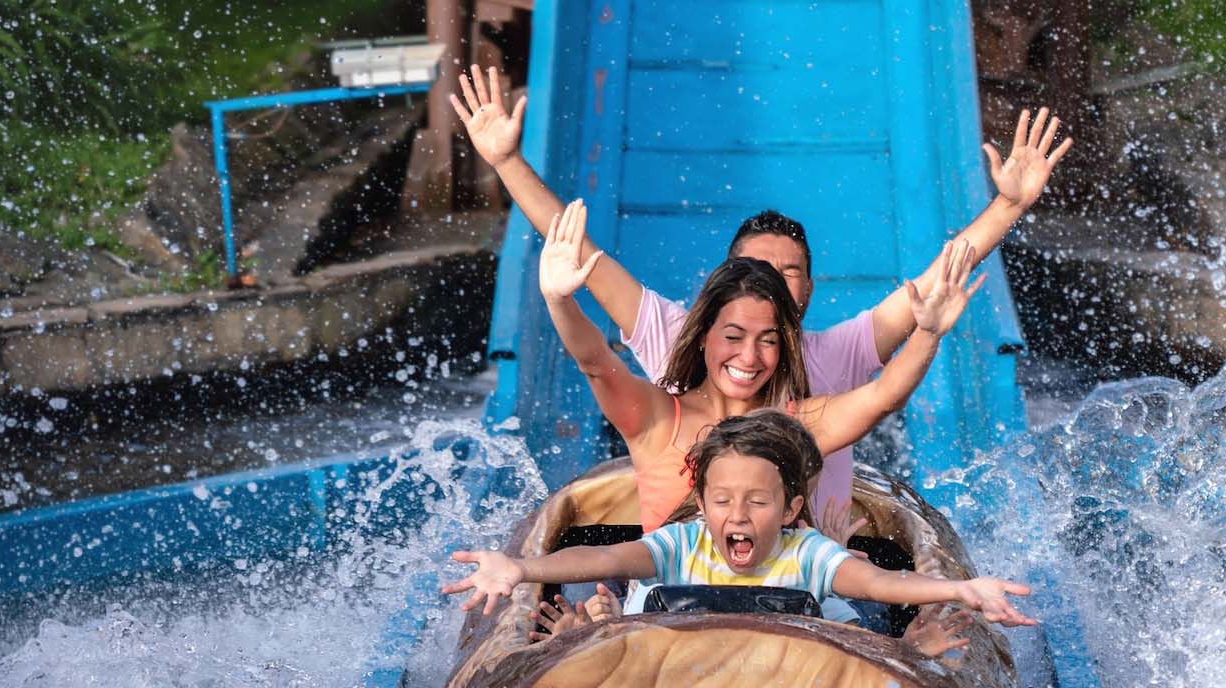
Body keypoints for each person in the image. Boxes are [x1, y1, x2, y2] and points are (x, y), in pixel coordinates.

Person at [451, 66, 1074, 515]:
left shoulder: (831, 369)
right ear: (723, 291)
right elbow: (578, 255)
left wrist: (1008, 206)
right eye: (755, 269)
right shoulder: (673, 351)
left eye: (788, 272)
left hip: (809, 575)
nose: (770, 281)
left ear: (810, 291)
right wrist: (506, 163)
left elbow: (929, 298)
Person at [537, 199, 980, 533]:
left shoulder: (798, 426)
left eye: (767, 341)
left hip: (777, 613)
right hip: (670, 612)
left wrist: (928, 333)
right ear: (703, 333)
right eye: (733, 337)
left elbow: (884, 397)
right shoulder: (657, 418)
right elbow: (595, 362)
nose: (749, 358)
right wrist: (559, 300)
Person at [442, 411, 1039, 633]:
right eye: (723, 500)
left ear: (791, 510)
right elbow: (599, 558)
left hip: (776, 683)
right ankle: (597, 627)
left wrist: (960, 589)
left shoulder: (805, 554)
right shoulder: (681, 545)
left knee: (856, 622)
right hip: (680, 677)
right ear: (702, 506)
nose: (738, 515)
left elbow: (883, 583)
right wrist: (520, 567)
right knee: (608, 615)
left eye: (758, 502)